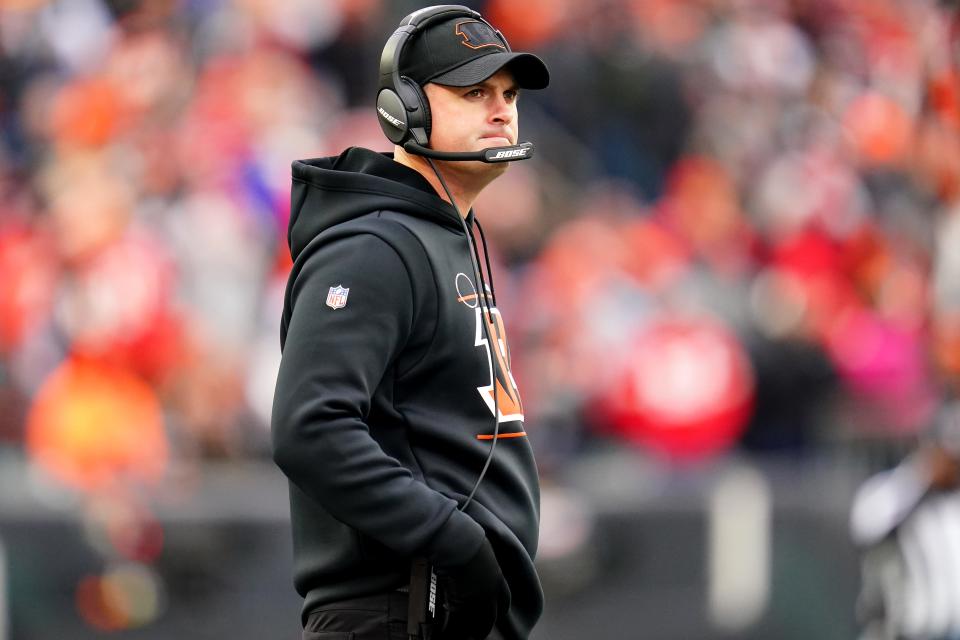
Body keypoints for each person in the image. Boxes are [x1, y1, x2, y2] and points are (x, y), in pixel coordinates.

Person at [271, 5, 550, 640]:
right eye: (474, 91)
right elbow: (309, 428)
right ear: (405, 110)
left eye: (508, 93)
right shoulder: (373, 247)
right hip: (400, 610)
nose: (501, 108)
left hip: (445, 609)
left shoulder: (447, 237)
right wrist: (456, 542)